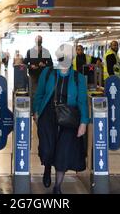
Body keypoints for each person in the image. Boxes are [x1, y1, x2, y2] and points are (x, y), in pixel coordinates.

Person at [33, 44, 89, 194]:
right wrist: (36, 112)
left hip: (69, 118)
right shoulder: (48, 72)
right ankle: (46, 167)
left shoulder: (79, 78)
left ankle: (57, 186)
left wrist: (84, 122)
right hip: (48, 115)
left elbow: (83, 101)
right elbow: (39, 94)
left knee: (63, 152)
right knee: (47, 148)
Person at [24, 35, 53, 103]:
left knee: (42, 93)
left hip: (43, 76)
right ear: (35, 41)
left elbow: (51, 64)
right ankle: (33, 110)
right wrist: (31, 66)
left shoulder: (46, 51)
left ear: (42, 41)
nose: (38, 41)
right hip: (33, 75)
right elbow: (24, 63)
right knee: (32, 93)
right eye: (37, 40)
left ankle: (40, 110)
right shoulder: (30, 51)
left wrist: (44, 65)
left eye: (40, 40)